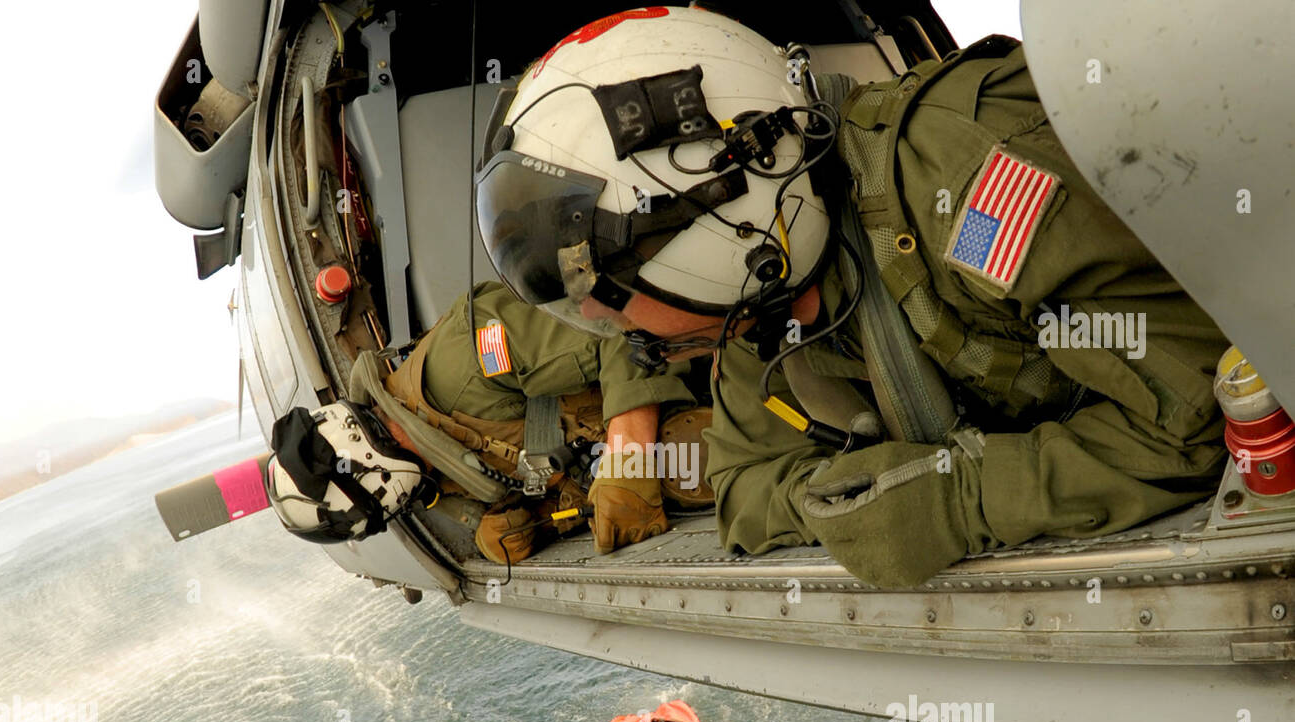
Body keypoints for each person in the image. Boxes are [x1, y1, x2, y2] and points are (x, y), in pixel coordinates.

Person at [473, 7, 1228, 587]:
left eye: (607, 292)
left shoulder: (969, 193)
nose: (605, 325)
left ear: (722, 230)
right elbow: (742, 488)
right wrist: (849, 497)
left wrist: (959, 500)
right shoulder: (749, 314)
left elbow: (1191, 427)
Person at [267, 280, 712, 562]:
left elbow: (623, 324)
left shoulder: (462, 365)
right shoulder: (432, 467)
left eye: (374, 508)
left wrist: (627, 461)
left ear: (358, 464)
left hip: (695, 365)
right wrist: (530, 522)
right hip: (617, 441)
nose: (390, 512)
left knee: (685, 459)